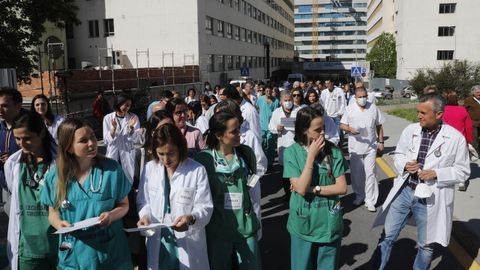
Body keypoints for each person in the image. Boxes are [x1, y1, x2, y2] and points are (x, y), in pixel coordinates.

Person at [371, 94, 471, 270]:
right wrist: (405, 165)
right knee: (387, 236)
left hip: (430, 198)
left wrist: (437, 173)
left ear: (439, 114)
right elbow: (399, 154)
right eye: (418, 111)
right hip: (404, 191)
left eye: (423, 113)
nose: (419, 116)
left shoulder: (455, 138)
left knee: (426, 246)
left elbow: (463, 171)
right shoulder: (411, 130)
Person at [40, 119, 133, 269]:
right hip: (73, 253)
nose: (92, 143)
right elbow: (52, 211)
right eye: (83, 141)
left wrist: (111, 215)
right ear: (69, 147)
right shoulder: (56, 176)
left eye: (93, 137)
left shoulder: (111, 170)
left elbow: (124, 205)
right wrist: (59, 224)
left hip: (109, 255)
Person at [137, 123, 213, 270]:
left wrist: (191, 218)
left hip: (188, 237)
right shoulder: (149, 168)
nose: (166, 160)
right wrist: (145, 216)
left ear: (180, 148)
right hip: (160, 236)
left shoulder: (196, 170)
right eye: (161, 154)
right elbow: (143, 201)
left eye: (171, 153)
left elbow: (205, 206)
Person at [283, 106, 348, 270]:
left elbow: (342, 187)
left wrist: (314, 189)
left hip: (329, 223)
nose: (322, 134)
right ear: (304, 130)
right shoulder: (292, 153)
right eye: (317, 130)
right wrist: (310, 157)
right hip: (303, 222)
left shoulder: (333, 152)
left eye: (324, 128)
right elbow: (302, 188)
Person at [195, 112, 261, 270]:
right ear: (219, 135)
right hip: (218, 230)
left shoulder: (245, 153)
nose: (239, 134)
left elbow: (251, 184)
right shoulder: (204, 160)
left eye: (239, 129)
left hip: (245, 226)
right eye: (234, 131)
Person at [6, 111, 58, 270]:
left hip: (60, 245)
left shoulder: (62, 161)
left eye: (27, 138)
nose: (22, 143)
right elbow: (13, 194)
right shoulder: (13, 164)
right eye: (17, 138)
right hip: (28, 249)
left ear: (41, 133)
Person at [214, 99, 267, 240]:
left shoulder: (247, 136)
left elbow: (261, 165)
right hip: (223, 197)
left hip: (246, 193)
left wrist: (245, 184)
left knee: (249, 236)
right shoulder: (214, 139)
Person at [340, 86, 385, 212]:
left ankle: (370, 200)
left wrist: (381, 142)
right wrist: (350, 129)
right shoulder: (349, 109)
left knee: (371, 173)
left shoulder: (373, 108)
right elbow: (342, 124)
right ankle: (360, 195)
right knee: (357, 174)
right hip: (355, 148)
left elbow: (379, 125)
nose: (363, 99)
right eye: (360, 97)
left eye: (364, 96)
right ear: (355, 98)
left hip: (371, 146)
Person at [103, 93, 143, 184]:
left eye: (129, 105)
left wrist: (131, 127)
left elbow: (135, 139)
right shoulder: (108, 118)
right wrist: (113, 129)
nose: (127, 108)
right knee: (113, 180)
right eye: (125, 105)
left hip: (127, 152)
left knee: (127, 180)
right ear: (119, 103)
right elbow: (106, 140)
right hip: (113, 153)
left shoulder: (133, 118)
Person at [269, 90, 297, 201]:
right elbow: (270, 126)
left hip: (296, 144)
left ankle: (297, 193)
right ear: (281, 101)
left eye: (289, 100)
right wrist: (277, 128)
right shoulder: (276, 112)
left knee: (296, 171)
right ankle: (288, 194)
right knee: (285, 173)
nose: (288, 102)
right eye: (285, 100)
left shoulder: (298, 111)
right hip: (283, 145)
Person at [442, 90, 473, 191]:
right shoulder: (462, 110)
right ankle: (461, 182)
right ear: (457, 99)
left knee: (446, 161)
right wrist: (469, 140)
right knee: (461, 161)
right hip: (461, 139)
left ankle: (445, 179)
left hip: (445, 139)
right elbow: (468, 126)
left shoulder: (442, 110)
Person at [0, 87, 24, 215]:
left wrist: (15, 158)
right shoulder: (1, 127)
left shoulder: (29, 126)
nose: (0, 110)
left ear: (18, 106)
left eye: (5, 106)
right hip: (5, 184)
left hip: (25, 185)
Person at [257, 86, 280, 169]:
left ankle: (270, 163)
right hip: (262, 125)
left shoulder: (276, 101)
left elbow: (278, 113)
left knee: (271, 145)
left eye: (270, 91)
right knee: (261, 144)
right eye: (267, 91)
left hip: (271, 126)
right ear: (264, 91)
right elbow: (257, 108)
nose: (268, 92)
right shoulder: (260, 99)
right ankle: (262, 162)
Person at [464, 85, 480, 151]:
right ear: (473, 93)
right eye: (477, 92)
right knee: (474, 139)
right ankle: (476, 155)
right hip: (474, 123)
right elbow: (465, 110)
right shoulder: (468, 100)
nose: (479, 94)